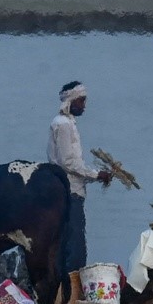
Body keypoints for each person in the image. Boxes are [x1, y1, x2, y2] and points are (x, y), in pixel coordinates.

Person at [47, 81, 112, 280]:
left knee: (63, 241)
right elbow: (69, 162)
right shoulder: (64, 125)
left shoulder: (63, 123)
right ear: (71, 101)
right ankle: (71, 289)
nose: (84, 106)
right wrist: (96, 174)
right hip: (70, 191)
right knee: (74, 245)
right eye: (81, 101)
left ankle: (61, 288)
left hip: (63, 189)